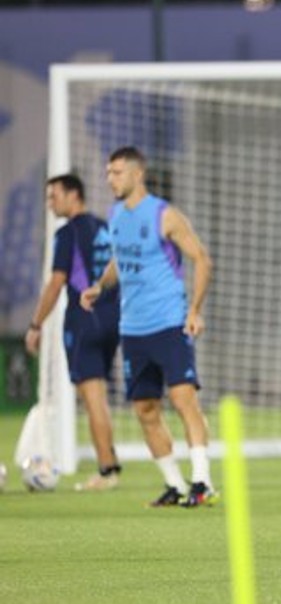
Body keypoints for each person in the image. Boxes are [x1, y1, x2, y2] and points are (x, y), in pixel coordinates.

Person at [81, 146, 217, 508]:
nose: (111, 179)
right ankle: (175, 484)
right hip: (133, 328)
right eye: (109, 172)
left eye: (117, 172)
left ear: (137, 174)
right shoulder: (115, 216)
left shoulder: (164, 214)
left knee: (183, 399)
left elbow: (202, 259)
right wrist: (99, 285)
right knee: (144, 409)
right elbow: (118, 260)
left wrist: (195, 310)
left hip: (169, 321)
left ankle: (202, 482)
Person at [25, 174, 122, 490]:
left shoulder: (67, 233)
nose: (50, 203)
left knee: (92, 396)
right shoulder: (104, 228)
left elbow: (56, 283)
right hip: (114, 318)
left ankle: (107, 471)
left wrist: (36, 324)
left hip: (84, 319)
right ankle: (111, 463)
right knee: (100, 397)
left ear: (73, 194)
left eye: (54, 196)